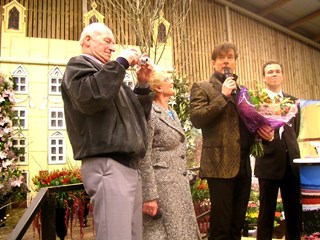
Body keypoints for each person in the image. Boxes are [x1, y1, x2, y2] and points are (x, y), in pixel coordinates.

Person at [61, 22, 154, 240]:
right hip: (107, 164)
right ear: (87, 41)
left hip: (128, 167)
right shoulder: (78, 66)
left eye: (114, 43)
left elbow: (139, 117)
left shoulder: (110, 75)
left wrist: (142, 85)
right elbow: (91, 97)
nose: (112, 48)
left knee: (129, 236)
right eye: (107, 41)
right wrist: (121, 62)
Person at [189, 42, 273, 240]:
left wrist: (263, 136)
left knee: (237, 226)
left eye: (230, 57)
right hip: (219, 164)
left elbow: (248, 125)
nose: (226, 60)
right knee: (221, 226)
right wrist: (223, 96)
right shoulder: (203, 87)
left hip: (243, 166)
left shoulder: (243, 91)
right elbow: (197, 119)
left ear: (235, 62)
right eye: (221, 57)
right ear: (213, 63)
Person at [138, 69, 201, 240]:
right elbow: (144, 154)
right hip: (162, 185)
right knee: (166, 232)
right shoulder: (150, 112)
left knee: (181, 230)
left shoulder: (171, 112)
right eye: (167, 79)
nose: (171, 82)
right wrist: (149, 195)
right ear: (158, 88)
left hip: (178, 183)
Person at [255, 61, 302, 240]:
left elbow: (295, 131)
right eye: (269, 72)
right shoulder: (256, 101)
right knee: (266, 213)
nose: (274, 74)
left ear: (282, 75)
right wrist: (265, 140)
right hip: (268, 162)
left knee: (294, 212)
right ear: (264, 77)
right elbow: (253, 132)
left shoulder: (293, 101)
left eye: (277, 71)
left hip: (291, 164)